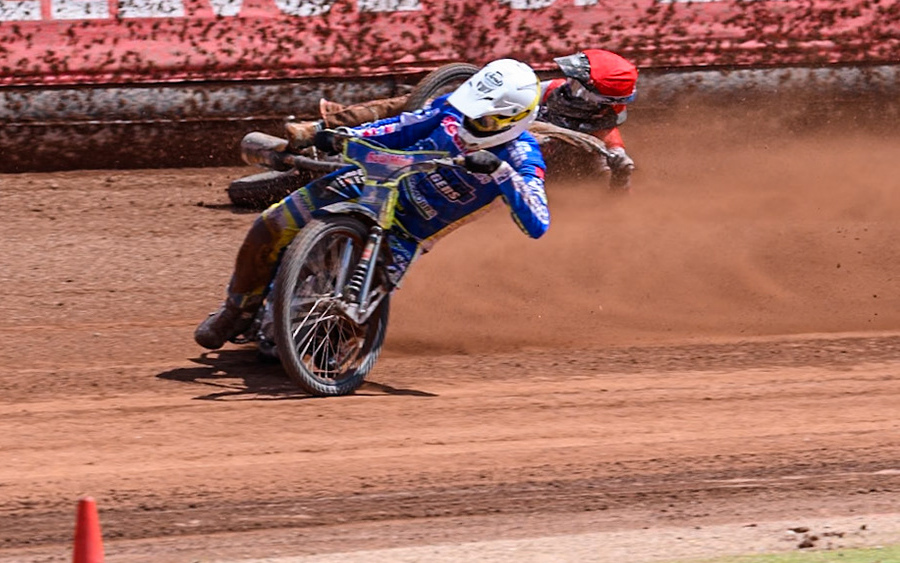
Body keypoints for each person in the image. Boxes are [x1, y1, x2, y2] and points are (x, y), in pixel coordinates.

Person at [195, 58, 551, 350]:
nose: (467, 122)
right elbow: (401, 126)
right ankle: (235, 312)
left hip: (408, 232)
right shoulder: (451, 111)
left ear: (513, 120)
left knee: (323, 343)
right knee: (270, 226)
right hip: (371, 181)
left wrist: (501, 171)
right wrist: (344, 136)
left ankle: (313, 338)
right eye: (468, 110)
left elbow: (538, 223)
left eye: (483, 119)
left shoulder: (522, 157)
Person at [286, 49, 639, 190]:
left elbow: (612, 161)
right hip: (485, 126)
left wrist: (618, 173)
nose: (570, 88)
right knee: (408, 104)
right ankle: (322, 126)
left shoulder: (602, 134)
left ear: (598, 100)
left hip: (499, 166)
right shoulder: (553, 88)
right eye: (573, 81)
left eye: (580, 86)